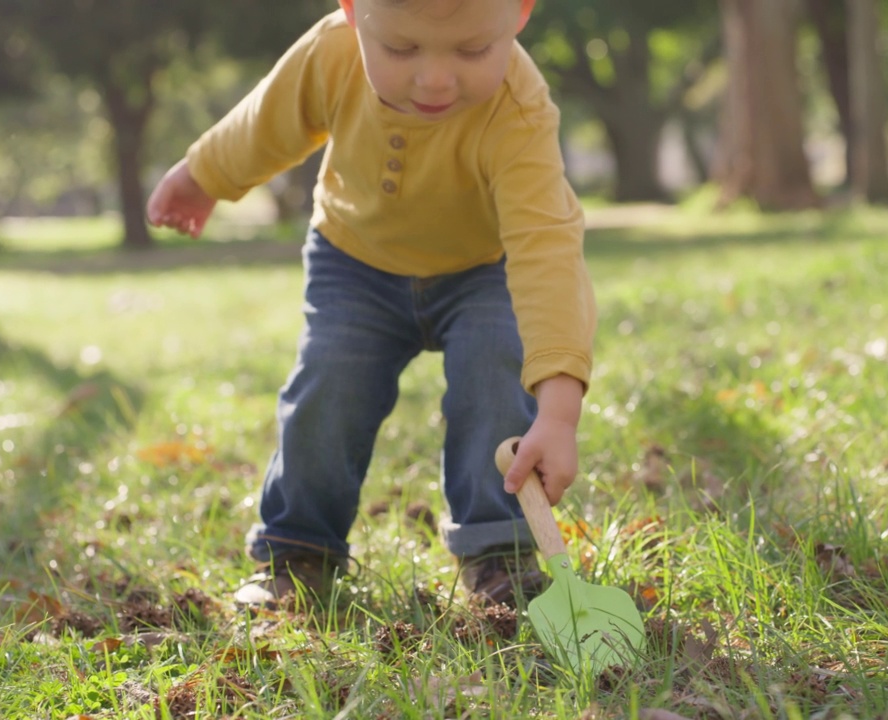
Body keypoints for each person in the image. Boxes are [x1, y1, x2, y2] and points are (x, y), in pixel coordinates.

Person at [145, 0, 595, 609]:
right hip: (354, 262)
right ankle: (297, 551)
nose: (435, 78)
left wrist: (559, 413)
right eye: (402, 50)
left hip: (482, 273)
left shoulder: (518, 109)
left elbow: (547, 252)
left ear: (518, 15)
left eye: (471, 51)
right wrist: (201, 176)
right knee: (330, 383)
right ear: (354, 12)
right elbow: (265, 122)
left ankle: (498, 556)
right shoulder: (331, 54)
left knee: (495, 371)